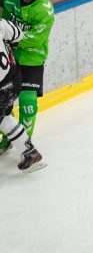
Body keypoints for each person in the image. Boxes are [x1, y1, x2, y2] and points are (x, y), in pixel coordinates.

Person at [0, 0, 55, 155]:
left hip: (33, 56)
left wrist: (13, 37)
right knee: (4, 101)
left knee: (28, 103)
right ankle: (9, 137)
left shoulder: (44, 9)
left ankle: (25, 144)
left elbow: (37, 38)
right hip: (8, 56)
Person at [0, 18, 45, 172]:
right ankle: (30, 153)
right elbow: (18, 35)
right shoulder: (0, 23)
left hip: (2, 88)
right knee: (4, 118)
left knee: (3, 118)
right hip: (13, 80)